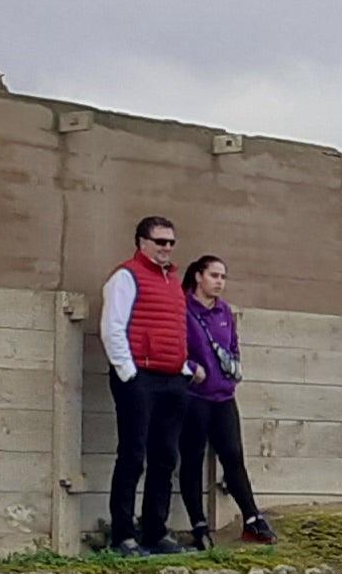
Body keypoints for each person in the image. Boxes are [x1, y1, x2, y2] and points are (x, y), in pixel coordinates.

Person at [97, 213, 191, 555]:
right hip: (141, 378)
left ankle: (155, 530)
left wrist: (183, 367)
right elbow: (112, 327)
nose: (166, 248)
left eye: (171, 242)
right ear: (142, 242)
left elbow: (176, 329)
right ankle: (123, 534)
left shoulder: (172, 282)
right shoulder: (126, 276)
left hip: (171, 379)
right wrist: (128, 373)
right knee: (133, 456)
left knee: (165, 457)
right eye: (160, 241)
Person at [177, 253, 277, 550]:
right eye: (214, 276)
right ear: (198, 277)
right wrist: (190, 368)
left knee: (233, 456)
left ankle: (251, 517)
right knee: (191, 459)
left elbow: (233, 345)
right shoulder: (182, 309)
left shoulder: (224, 312)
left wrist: (233, 369)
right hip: (193, 396)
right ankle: (198, 524)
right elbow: (174, 345)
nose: (219, 282)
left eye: (223, 277)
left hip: (223, 396)